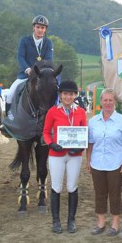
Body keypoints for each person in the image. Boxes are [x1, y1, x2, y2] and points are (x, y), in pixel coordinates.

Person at [43, 80, 88, 234]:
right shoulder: (52, 111)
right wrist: (50, 144)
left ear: (75, 95)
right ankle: (56, 221)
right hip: (57, 154)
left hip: (75, 155)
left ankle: (71, 220)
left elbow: (84, 132)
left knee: (72, 186)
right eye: (65, 94)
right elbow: (46, 132)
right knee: (56, 186)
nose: (68, 97)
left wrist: (82, 145)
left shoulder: (81, 112)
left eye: (71, 94)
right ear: (60, 95)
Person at [86, 88, 122, 236]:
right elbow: (90, 143)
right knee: (99, 193)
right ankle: (100, 223)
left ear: (115, 103)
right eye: (105, 100)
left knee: (115, 193)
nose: (107, 103)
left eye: (110, 100)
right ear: (100, 102)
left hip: (115, 163)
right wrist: (88, 161)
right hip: (97, 162)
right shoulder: (92, 122)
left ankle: (115, 223)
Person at [5, 15, 54, 113]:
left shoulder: (48, 43)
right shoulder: (25, 40)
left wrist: (41, 71)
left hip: (41, 76)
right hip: (25, 74)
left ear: (45, 30)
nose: (40, 30)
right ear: (33, 27)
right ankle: (8, 119)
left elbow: (48, 59)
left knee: (54, 91)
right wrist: (27, 68)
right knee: (10, 95)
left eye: (42, 28)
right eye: (38, 27)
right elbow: (21, 57)